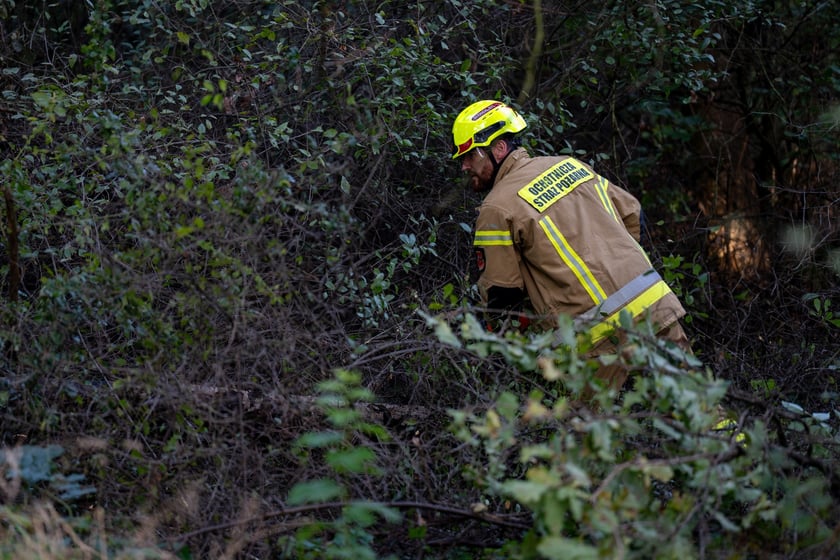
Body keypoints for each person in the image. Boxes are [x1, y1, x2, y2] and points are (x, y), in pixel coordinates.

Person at [451, 99, 692, 395]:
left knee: (591, 437)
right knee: (701, 411)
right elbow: (634, 214)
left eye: (469, 156)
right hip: (654, 306)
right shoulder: (571, 166)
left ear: (498, 148)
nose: (463, 166)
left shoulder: (496, 208)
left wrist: (516, 344)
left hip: (593, 337)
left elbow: (502, 296)